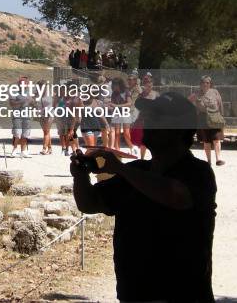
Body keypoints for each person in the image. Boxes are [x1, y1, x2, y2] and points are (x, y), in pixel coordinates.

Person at [71, 92, 216, 303]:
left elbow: (176, 195)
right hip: (135, 294)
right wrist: (80, 175)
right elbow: (90, 203)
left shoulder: (198, 172)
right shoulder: (137, 170)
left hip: (184, 295)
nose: (146, 122)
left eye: (156, 117)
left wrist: (120, 169)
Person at [190, 76, 225, 167]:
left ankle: (218, 159)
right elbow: (188, 101)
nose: (205, 84)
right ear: (200, 84)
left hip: (215, 118)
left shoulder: (215, 92)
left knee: (216, 139)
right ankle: (209, 161)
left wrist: (221, 116)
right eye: (203, 82)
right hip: (203, 119)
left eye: (207, 82)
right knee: (207, 141)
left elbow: (220, 104)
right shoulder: (196, 93)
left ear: (210, 84)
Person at [131, 72, 158, 159]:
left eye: (150, 84)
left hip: (153, 120)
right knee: (143, 141)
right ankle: (142, 159)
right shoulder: (141, 95)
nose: (148, 85)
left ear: (152, 84)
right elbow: (137, 106)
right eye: (146, 84)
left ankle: (155, 158)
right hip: (143, 120)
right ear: (144, 85)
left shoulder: (156, 94)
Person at [9, 76, 33, 158]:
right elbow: (12, 103)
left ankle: (23, 151)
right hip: (17, 115)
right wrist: (22, 101)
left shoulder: (30, 93)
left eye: (25, 83)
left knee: (25, 134)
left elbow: (34, 104)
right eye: (21, 83)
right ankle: (14, 150)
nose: (23, 85)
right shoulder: (14, 92)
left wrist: (32, 102)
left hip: (27, 115)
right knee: (17, 133)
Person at [110, 78, 134, 153]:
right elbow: (112, 105)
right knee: (117, 133)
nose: (114, 86)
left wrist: (117, 106)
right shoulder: (113, 93)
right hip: (117, 114)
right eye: (113, 85)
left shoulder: (126, 92)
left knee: (126, 133)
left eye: (115, 85)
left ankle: (132, 148)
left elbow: (129, 103)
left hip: (126, 114)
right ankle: (117, 150)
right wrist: (110, 106)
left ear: (120, 85)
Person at [36, 80, 53, 155]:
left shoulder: (50, 94)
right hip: (41, 115)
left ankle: (44, 148)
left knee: (46, 132)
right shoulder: (39, 94)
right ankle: (50, 148)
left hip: (48, 115)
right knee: (46, 132)